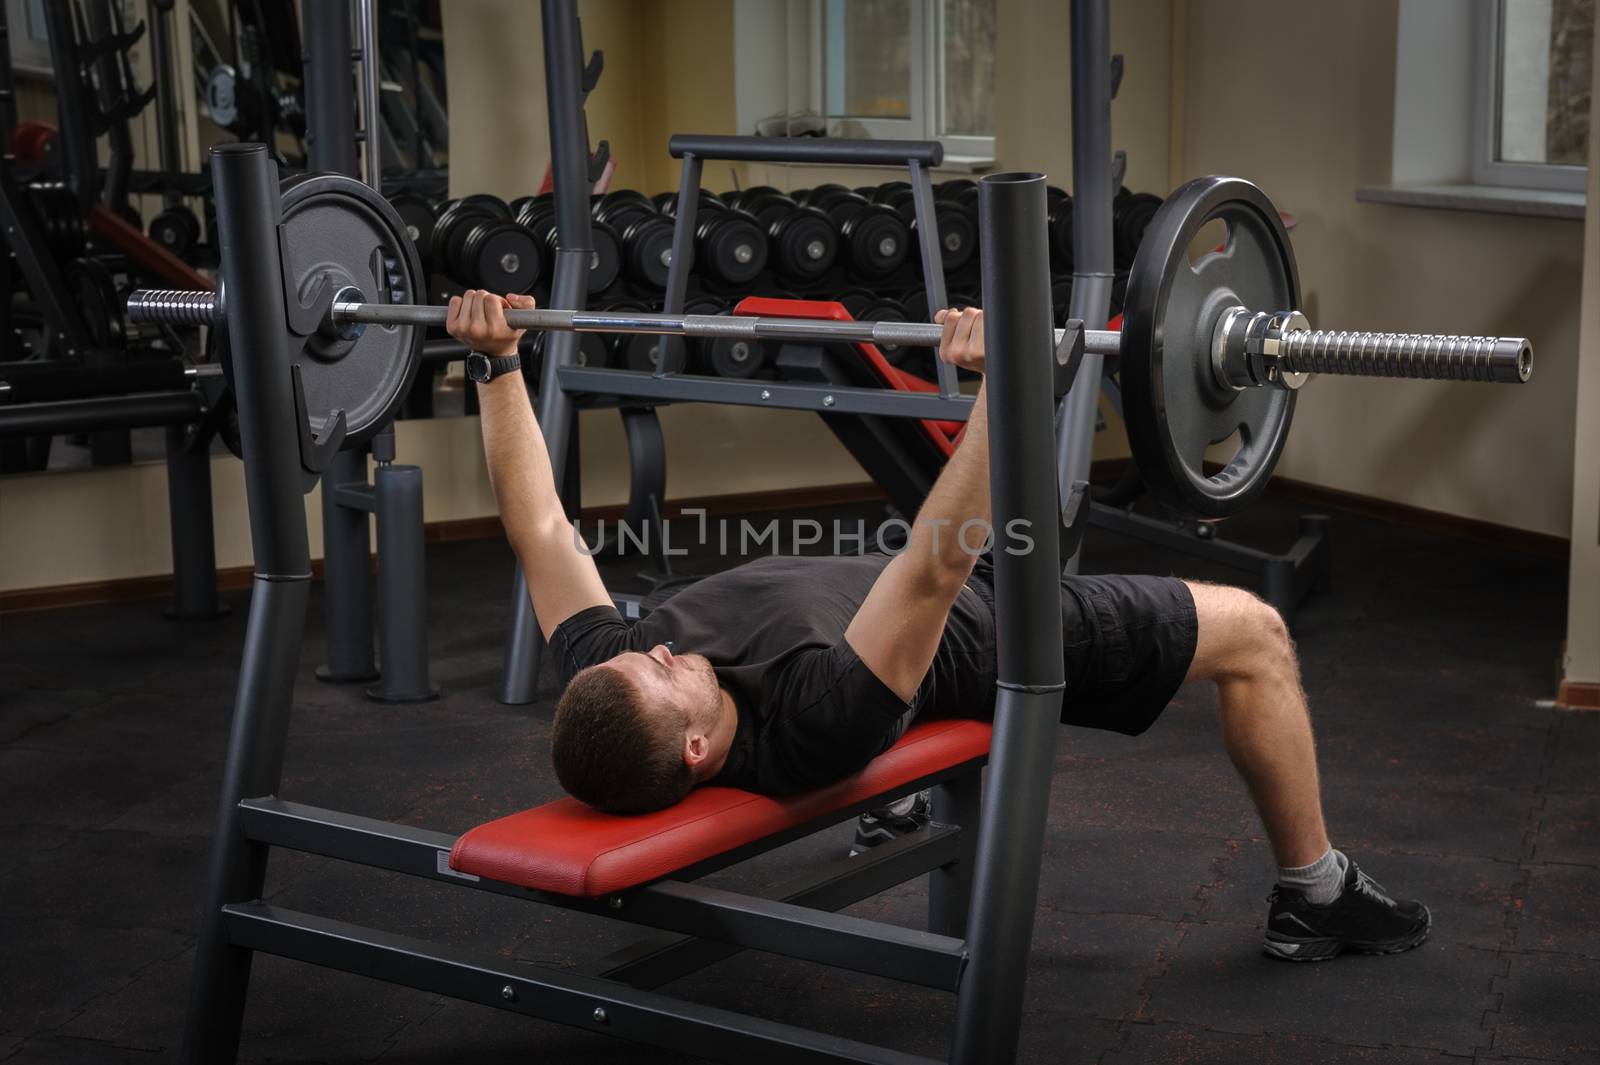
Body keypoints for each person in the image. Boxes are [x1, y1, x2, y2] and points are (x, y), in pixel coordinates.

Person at [448, 289, 1430, 963]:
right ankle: (1313, 892)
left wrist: (495, 363)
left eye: (644, 654)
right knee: (1255, 634)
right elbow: (940, 558)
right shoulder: (815, 717)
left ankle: (903, 786)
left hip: (891, 591)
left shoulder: (609, 674)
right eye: (663, 672)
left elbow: (535, 526)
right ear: (699, 747)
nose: (655, 646)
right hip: (993, 619)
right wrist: (1006, 386)